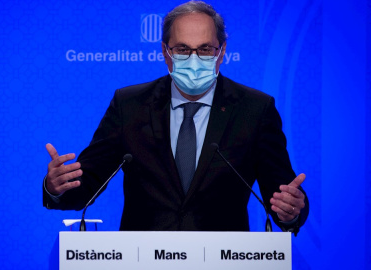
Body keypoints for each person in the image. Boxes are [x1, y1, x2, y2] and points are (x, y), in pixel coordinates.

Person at [43, 0, 309, 234]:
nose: (194, 60)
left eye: (205, 49)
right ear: (165, 53)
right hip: (141, 262)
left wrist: (292, 210)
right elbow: (86, 185)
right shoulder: (130, 104)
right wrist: (57, 187)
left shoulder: (255, 109)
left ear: (222, 52)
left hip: (223, 262)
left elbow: (282, 195)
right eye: (182, 49)